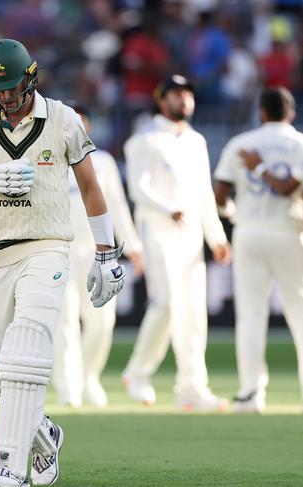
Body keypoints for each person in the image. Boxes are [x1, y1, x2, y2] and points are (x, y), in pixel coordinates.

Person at [0, 39, 125, 487]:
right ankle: (44, 435)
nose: (4, 98)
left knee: (27, 352)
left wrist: (106, 252)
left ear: (30, 78)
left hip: (47, 246)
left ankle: (6, 468)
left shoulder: (62, 119)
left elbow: (90, 187)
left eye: (10, 88)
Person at [121, 74, 232, 411]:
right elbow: (137, 188)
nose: (183, 100)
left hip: (191, 235)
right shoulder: (145, 139)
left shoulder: (196, 141)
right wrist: (167, 209)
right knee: (166, 304)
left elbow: (203, 195)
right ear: (161, 100)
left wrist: (217, 236)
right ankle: (138, 373)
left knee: (194, 313)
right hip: (157, 229)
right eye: (176, 95)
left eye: (188, 95)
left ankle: (192, 388)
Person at [213, 87, 303, 413]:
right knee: (299, 313)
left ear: (261, 112)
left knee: (251, 315)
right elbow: (291, 190)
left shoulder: (242, 143)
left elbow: (220, 191)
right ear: (290, 113)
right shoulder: (299, 144)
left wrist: (234, 214)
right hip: (289, 232)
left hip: (249, 234)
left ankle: (251, 392)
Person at [52, 103, 143, 408]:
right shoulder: (46, 159)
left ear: (87, 127)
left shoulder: (102, 161)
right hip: (59, 252)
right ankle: (69, 388)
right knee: (63, 322)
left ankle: (89, 377)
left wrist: (133, 247)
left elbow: (116, 205)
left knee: (102, 321)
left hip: (98, 254)